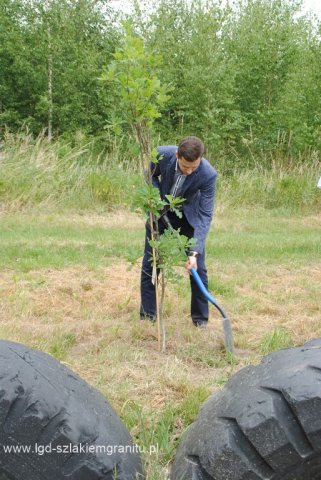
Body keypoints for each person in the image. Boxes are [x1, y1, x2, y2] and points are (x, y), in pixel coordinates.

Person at [140, 136, 217, 328]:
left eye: (194, 167)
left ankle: (200, 320)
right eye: (185, 167)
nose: (190, 171)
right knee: (151, 264)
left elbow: (205, 215)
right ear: (177, 155)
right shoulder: (162, 154)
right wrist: (157, 199)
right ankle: (148, 317)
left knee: (198, 267)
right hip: (159, 213)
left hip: (188, 218)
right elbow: (149, 176)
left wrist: (194, 251)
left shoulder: (208, 174)